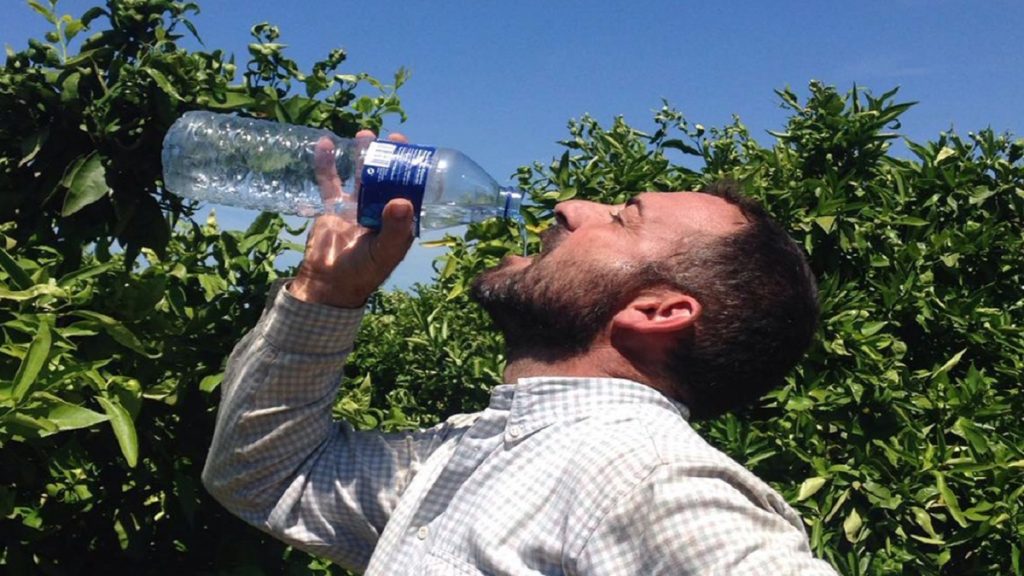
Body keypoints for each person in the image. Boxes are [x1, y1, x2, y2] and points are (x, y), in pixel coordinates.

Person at [202, 131, 838, 575]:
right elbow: (269, 476)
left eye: (622, 219)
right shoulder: (476, 455)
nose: (570, 206)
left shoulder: (654, 485)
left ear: (657, 310)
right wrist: (326, 292)